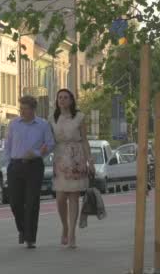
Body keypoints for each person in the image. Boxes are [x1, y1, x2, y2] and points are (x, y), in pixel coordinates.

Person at [5, 95, 55, 249]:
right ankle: (22, 229)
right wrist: (9, 164)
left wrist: (37, 153)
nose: (21, 111)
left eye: (24, 109)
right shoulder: (13, 124)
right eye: (20, 108)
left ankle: (30, 237)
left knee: (32, 202)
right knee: (15, 203)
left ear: (33, 109)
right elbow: (7, 145)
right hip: (16, 166)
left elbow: (50, 144)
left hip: (34, 166)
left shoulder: (43, 125)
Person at [49, 89, 93, 249]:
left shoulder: (79, 117)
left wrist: (90, 160)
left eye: (65, 97)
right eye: (59, 97)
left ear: (71, 100)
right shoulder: (52, 118)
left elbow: (85, 140)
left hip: (76, 159)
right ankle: (65, 227)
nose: (62, 100)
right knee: (60, 197)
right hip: (60, 159)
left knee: (74, 198)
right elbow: (49, 140)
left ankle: (72, 233)